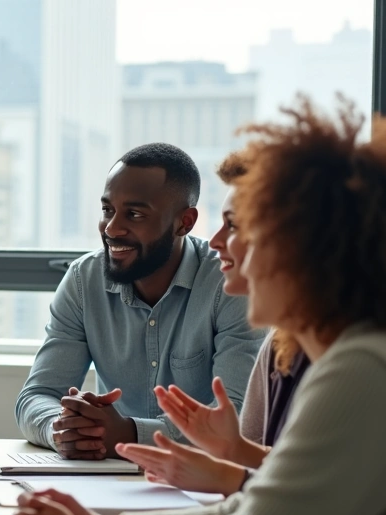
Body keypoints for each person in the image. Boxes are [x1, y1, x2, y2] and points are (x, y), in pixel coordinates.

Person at [14, 99, 386, 515]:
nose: (219, 244)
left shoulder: (367, 373)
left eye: (235, 226)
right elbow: (257, 513)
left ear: (304, 247)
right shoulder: (357, 358)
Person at [16, 142, 265, 460]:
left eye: (134, 214)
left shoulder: (229, 283)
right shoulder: (83, 280)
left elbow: (237, 420)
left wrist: (132, 434)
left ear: (184, 223)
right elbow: (37, 396)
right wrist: (62, 429)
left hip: (203, 480)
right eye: (108, 209)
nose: (111, 228)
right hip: (107, 477)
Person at [116, 152, 311, 495]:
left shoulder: (357, 365)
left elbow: (301, 503)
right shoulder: (280, 345)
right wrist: (233, 452)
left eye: (232, 225)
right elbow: (270, 491)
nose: (216, 240)